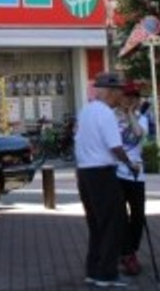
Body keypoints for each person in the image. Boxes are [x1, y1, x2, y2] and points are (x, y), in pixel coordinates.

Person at [75, 71, 140, 288]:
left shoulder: (86, 110)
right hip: (102, 173)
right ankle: (106, 274)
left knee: (96, 225)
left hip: (84, 173)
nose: (121, 97)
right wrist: (129, 164)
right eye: (120, 92)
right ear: (110, 92)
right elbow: (115, 146)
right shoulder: (106, 114)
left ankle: (93, 271)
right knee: (114, 224)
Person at [116, 81, 148, 277]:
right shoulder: (111, 118)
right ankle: (127, 255)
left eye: (134, 97)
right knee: (120, 217)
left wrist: (130, 115)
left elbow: (138, 133)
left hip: (137, 174)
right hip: (117, 174)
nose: (130, 100)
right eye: (127, 96)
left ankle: (130, 251)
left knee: (138, 216)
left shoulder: (141, 118)